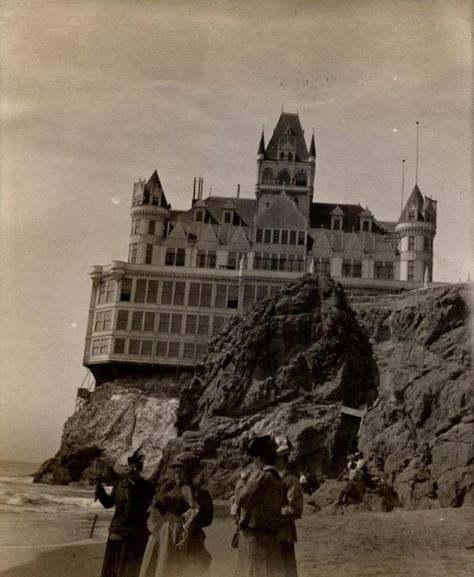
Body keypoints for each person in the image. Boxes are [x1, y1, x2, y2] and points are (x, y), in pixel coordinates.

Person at [139, 452, 213, 577]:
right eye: (175, 469)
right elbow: (156, 511)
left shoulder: (201, 494)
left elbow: (207, 520)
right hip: (167, 534)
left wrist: (193, 516)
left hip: (189, 537)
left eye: (181, 469)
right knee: (166, 565)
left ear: (190, 471)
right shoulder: (168, 489)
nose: (176, 473)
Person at [95, 448, 154, 577]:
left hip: (135, 535)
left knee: (129, 571)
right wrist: (99, 489)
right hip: (116, 532)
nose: (132, 471)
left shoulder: (147, 487)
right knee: (111, 570)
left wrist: (131, 488)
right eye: (130, 467)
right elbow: (108, 503)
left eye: (136, 467)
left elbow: (140, 508)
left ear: (140, 468)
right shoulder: (120, 484)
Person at [234, 434, 285, 577]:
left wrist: (242, 479)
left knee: (251, 571)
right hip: (270, 535)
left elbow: (241, 499)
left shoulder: (260, 476)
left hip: (254, 536)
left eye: (254, 458)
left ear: (258, 457)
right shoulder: (278, 479)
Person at [274, 436, 303, 577]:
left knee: (285, 571)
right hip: (267, 535)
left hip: (283, 534)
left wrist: (271, 512)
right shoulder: (268, 478)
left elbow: (295, 509)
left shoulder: (291, 481)